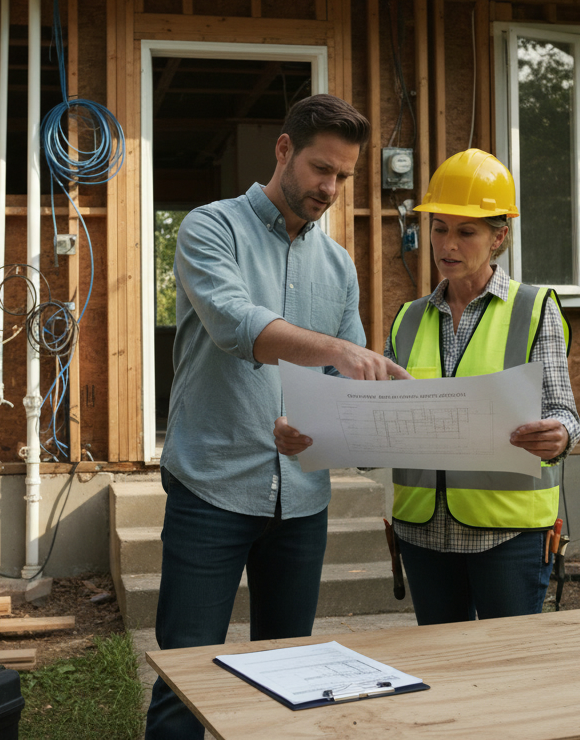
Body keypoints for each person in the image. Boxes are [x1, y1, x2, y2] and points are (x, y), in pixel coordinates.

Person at [147, 94, 410, 740]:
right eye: (322, 169)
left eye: (344, 177)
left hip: (300, 502)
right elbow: (240, 327)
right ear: (284, 149)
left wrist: (342, 426)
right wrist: (341, 351)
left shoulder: (338, 265)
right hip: (211, 489)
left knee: (291, 678)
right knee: (186, 678)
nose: (331, 188)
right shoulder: (211, 229)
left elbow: (341, 387)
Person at [275, 148, 580, 625]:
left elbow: (565, 414)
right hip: (422, 535)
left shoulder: (535, 308)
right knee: (443, 672)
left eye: (466, 231)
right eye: (439, 228)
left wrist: (559, 435)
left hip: (508, 534)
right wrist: (318, 431)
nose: (447, 245)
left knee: (511, 671)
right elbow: (378, 431)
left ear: (499, 237)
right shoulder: (409, 318)